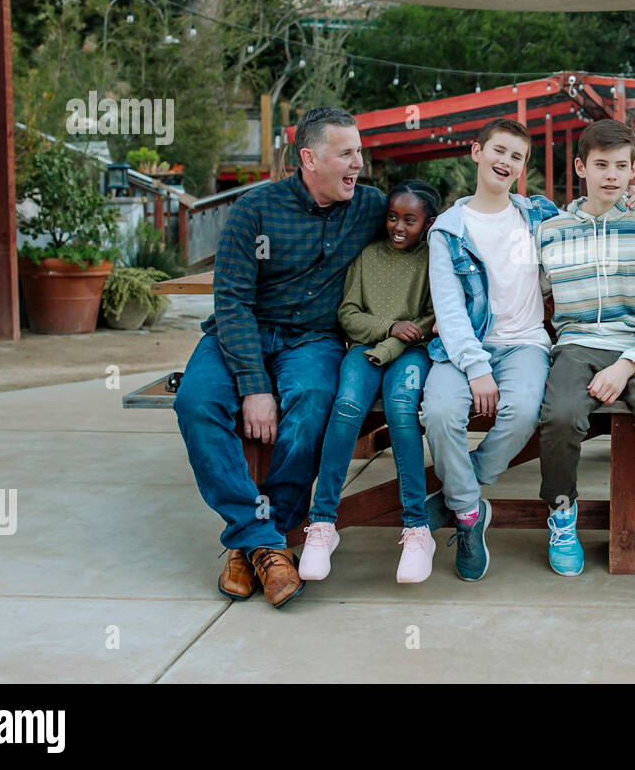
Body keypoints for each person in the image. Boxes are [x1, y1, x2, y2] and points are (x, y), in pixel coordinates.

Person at [174, 107, 385, 609]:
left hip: (313, 339)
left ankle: (254, 542)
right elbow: (232, 301)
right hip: (242, 331)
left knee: (313, 402)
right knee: (195, 402)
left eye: (359, 151)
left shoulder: (372, 207)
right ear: (309, 158)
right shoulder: (255, 210)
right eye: (346, 153)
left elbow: (436, 223)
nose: (359, 163)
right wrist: (254, 386)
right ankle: (265, 543)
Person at [537, 120, 635, 582]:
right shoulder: (550, 231)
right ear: (580, 167)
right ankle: (562, 516)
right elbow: (529, 297)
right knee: (560, 416)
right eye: (601, 165)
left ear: (634, 170)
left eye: (622, 166)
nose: (612, 175)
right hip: (576, 345)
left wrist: (627, 365)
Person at [418, 118, 559, 582]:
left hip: (525, 346)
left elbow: (594, 216)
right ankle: (469, 514)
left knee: (521, 413)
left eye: (516, 157)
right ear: (476, 152)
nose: (506, 162)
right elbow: (450, 309)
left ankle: (460, 496)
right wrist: (476, 367)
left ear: (523, 167)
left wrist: (631, 199)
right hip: (465, 347)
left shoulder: (538, 216)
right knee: (439, 413)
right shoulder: (448, 230)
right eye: (499, 151)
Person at [300, 180, 443, 585]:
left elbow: (434, 317)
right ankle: (323, 524)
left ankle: (417, 528)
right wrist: (388, 328)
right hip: (363, 349)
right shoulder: (367, 257)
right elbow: (348, 313)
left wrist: (396, 343)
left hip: (410, 354)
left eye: (409, 220)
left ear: (428, 223)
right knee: (345, 408)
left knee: (401, 408)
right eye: (393, 217)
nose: (398, 226)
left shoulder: (434, 259)